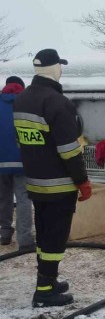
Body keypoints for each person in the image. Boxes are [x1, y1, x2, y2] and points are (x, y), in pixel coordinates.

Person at [13, 49, 91, 307]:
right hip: (59, 185)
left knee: (45, 234)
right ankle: (45, 290)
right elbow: (69, 149)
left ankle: (48, 278)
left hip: (35, 182)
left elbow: (25, 141)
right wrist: (82, 180)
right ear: (55, 68)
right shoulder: (57, 102)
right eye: (60, 66)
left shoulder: (22, 99)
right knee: (55, 238)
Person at [0, 76, 35, 251]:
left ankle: (5, 233)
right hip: (23, 161)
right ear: (21, 87)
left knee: (3, 198)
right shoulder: (27, 102)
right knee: (23, 199)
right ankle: (25, 240)